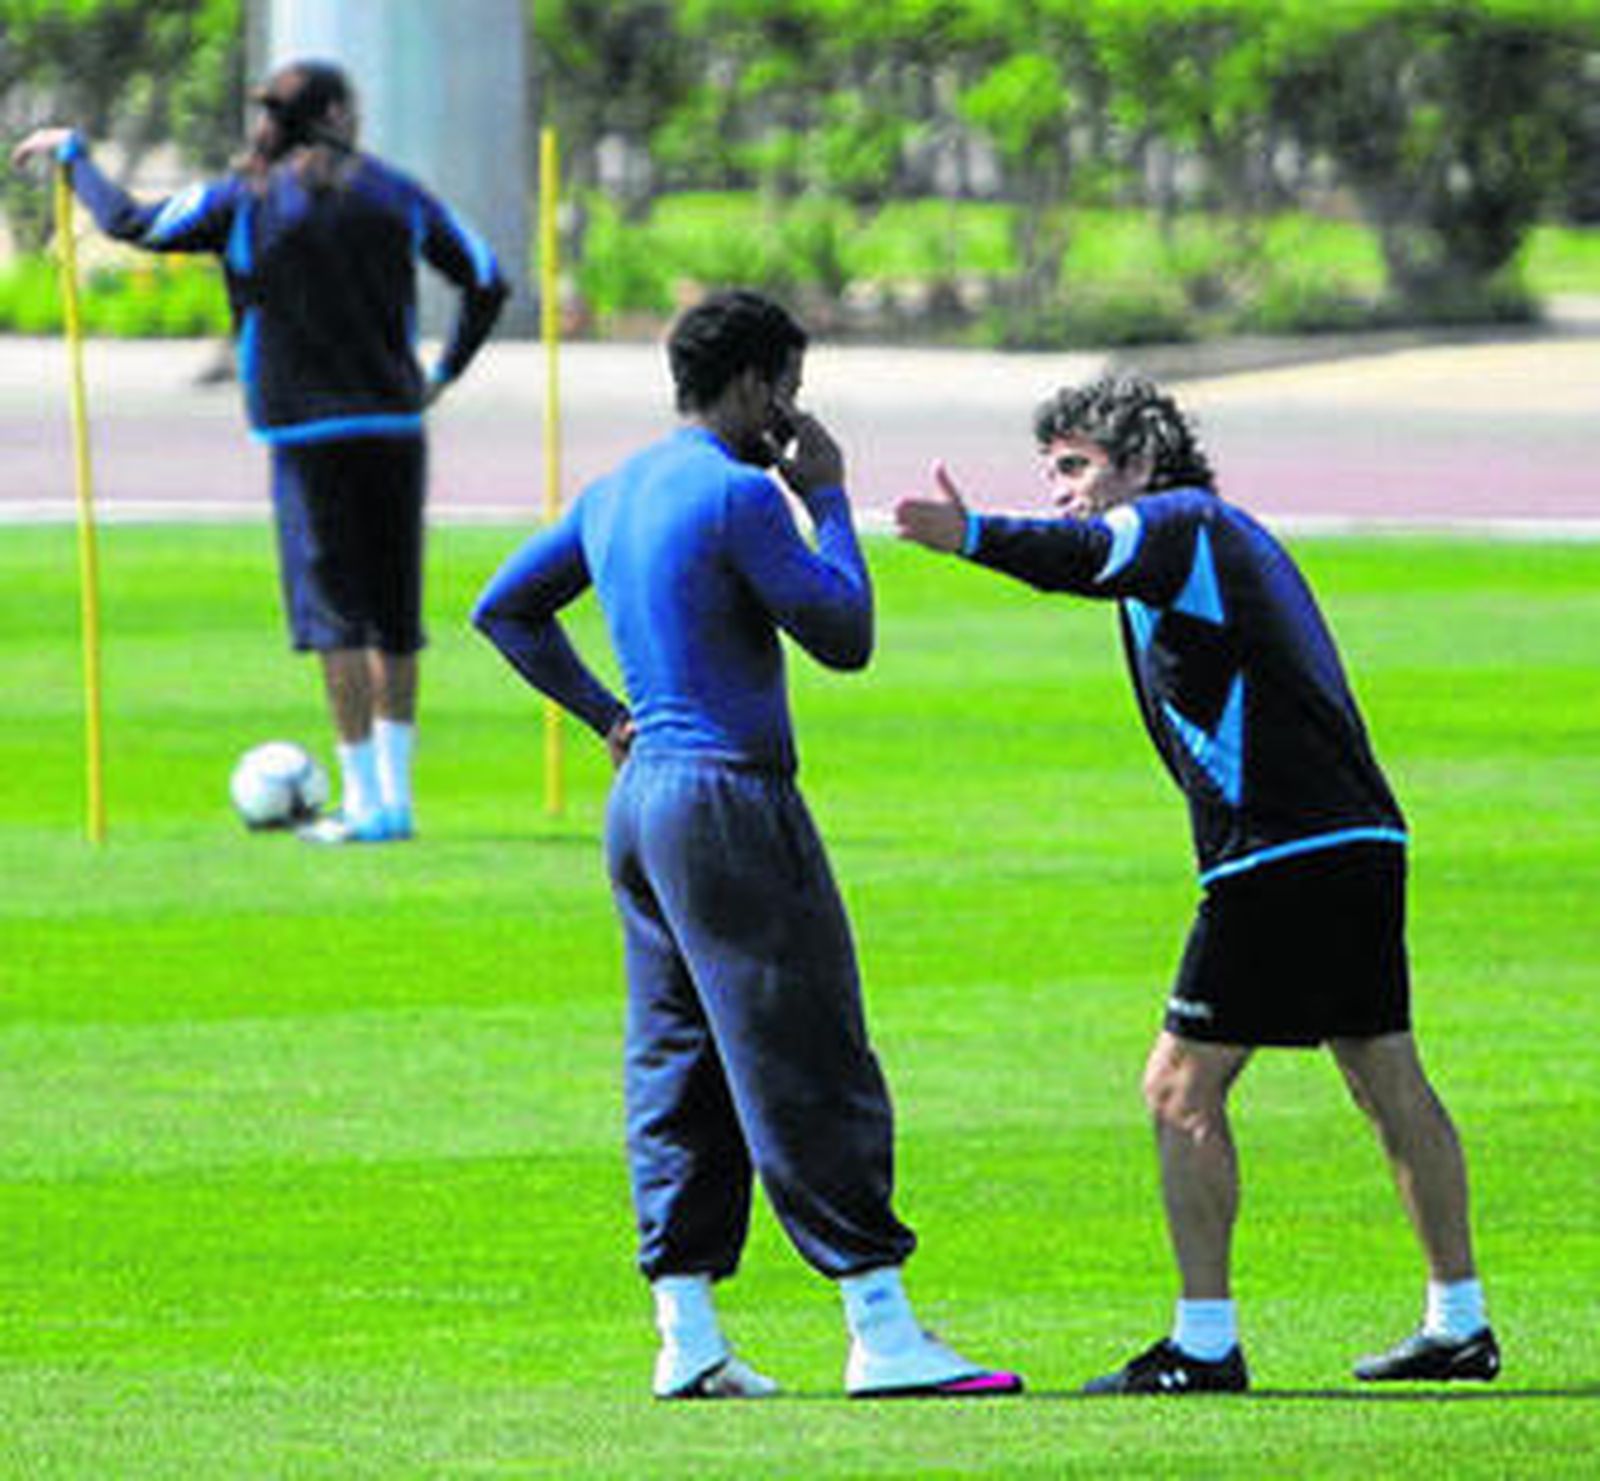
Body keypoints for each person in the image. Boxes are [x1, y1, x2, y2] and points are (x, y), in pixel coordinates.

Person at [895, 371, 1498, 1394]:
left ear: (1140, 458)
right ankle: (1459, 1321)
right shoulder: (1205, 540)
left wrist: (972, 537)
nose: (1062, 491)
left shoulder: (1176, 522)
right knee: (1383, 1076)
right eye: (1051, 473)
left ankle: (1204, 1344)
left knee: (1178, 1087)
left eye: (1076, 467)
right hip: (1350, 839)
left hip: (1281, 852)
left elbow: (1084, 556)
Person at [471, 289, 1022, 1401]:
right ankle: (880, 1325)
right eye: (791, 389)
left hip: (642, 806)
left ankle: (688, 1332)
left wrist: (605, 718)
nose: (794, 409)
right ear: (759, 384)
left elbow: (505, 608)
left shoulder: (616, 487)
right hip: (729, 799)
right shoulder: (740, 496)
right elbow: (844, 634)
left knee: (676, 1060)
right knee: (807, 1049)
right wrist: (828, 494)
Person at [12, 60, 509, 844]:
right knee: (393, 616)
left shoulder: (240, 199)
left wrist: (75, 156)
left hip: (303, 436)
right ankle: (396, 802)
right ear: (342, 114)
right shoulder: (395, 193)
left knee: (336, 621)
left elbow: (131, 223)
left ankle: (363, 801)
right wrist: (443, 373)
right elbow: (487, 278)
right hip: (392, 427)